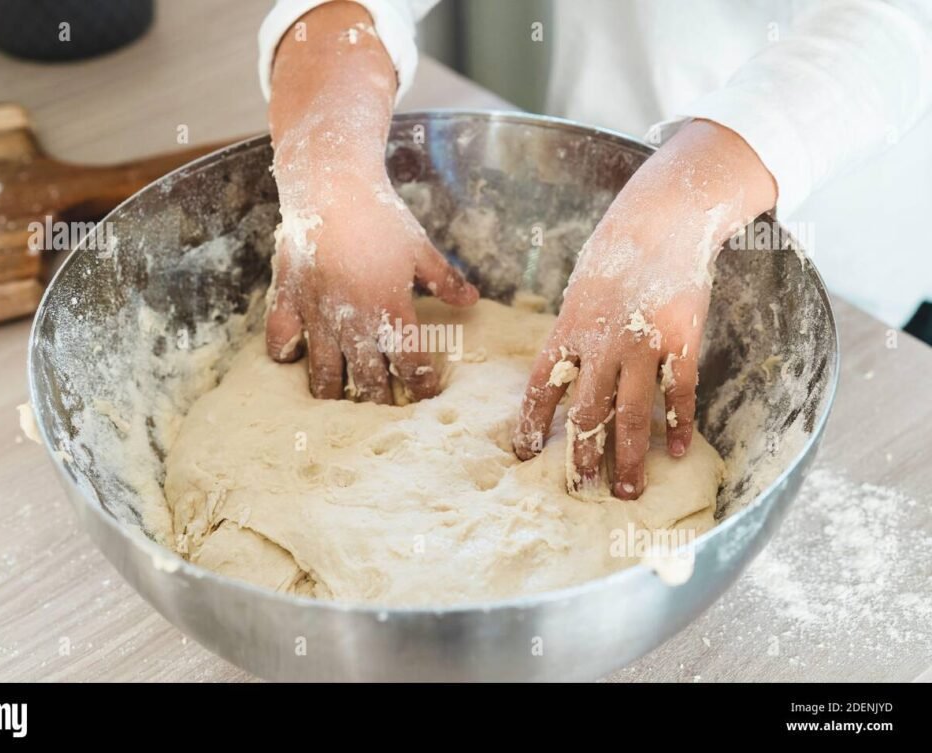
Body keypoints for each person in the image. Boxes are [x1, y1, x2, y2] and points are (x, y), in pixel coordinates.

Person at [258, 0, 932, 499]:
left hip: (842, 239)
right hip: (595, 155)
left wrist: (688, 195)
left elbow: (898, 24)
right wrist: (327, 154)